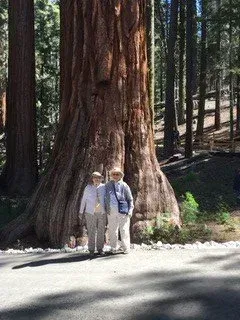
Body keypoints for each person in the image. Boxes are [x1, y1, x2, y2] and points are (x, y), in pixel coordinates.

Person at [105, 167, 134, 254]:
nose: (115, 176)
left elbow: (130, 199)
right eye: (113, 174)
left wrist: (130, 211)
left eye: (117, 174)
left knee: (124, 230)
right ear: (111, 175)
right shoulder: (108, 185)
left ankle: (126, 248)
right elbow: (103, 197)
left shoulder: (124, 185)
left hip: (122, 210)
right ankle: (113, 247)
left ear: (120, 175)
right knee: (112, 230)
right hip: (111, 211)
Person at [79, 172, 106, 256]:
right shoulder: (88, 187)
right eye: (95, 177)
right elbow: (83, 200)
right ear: (92, 179)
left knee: (101, 231)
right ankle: (91, 249)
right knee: (91, 231)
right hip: (90, 212)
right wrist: (81, 211)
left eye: (98, 177)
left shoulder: (104, 187)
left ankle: (100, 248)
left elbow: (107, 199)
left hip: (101, 212)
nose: (96, 179)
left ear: (101, 178)